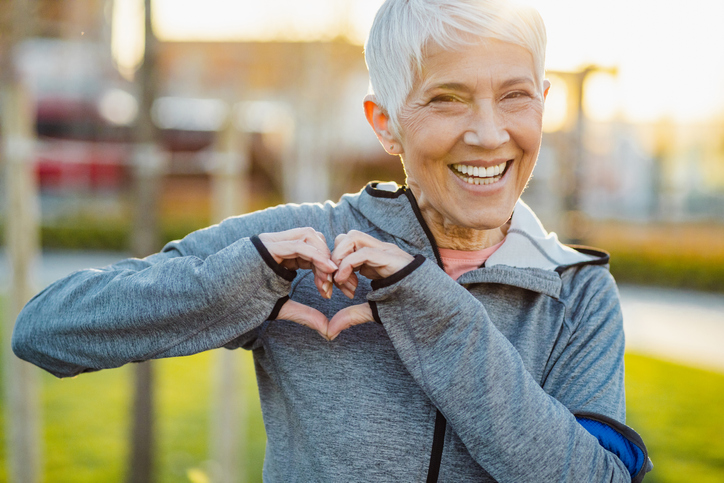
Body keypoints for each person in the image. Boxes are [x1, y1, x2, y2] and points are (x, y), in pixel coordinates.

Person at [12, 0, 652, 481]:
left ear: (543, 104)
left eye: (514, 97)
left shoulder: (579, 291)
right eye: (448, 100)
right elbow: (47, 330)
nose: (488, 134)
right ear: (387, 124)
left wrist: (426, 305)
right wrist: (246, 282)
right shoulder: (300, 246)